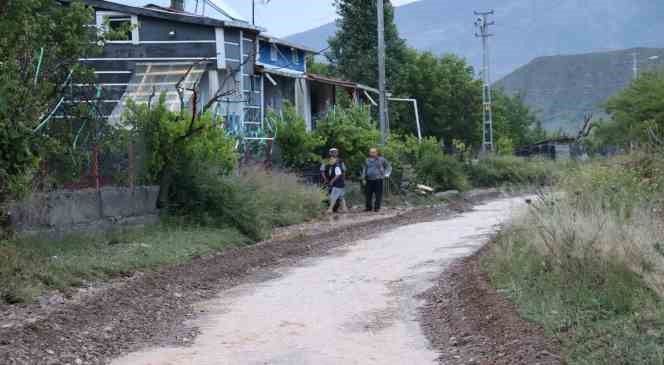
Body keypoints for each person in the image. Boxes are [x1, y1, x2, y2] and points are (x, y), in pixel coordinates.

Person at [361, 148, 392, 212]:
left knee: (378, 194)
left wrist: (387, 174)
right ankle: (368, 207)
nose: (372, 153)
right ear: (369, 153)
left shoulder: (381, 159)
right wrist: (363, 178)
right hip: (369, 179)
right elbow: (364, 169)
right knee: (368, 194)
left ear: (377, 152)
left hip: (378, 179)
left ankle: (377, 207)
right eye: (371, 152)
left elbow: (389, 167)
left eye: (374, 152)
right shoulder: (367, 160)